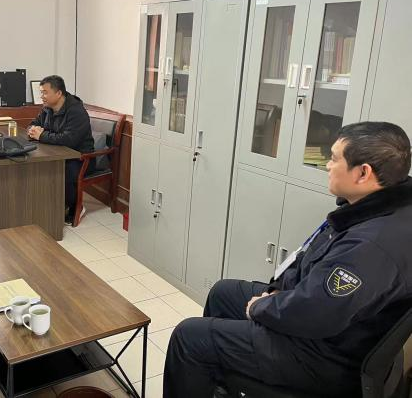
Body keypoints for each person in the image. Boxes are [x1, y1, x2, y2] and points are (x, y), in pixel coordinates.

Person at [163, 121, 412, 398]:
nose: (327, 166)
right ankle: (220, 380)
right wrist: (276, 291)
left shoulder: (372, 246)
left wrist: (262, 307)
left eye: (334, 159)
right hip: (319, 319)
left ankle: (220, 364)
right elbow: (309, 260)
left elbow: (316, 313)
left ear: (363, 173)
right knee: (223, 292)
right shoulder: (371, 206)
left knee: (190, 337)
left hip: (324, 356)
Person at [28, 75, 94, 224]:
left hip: (81, 158)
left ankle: (75, 207)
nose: (42, 96)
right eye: (41, 92)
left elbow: (69, 140)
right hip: (58, 153)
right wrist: (32, 130)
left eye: (45, 92)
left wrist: (42, 135)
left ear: (58, 93)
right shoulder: (47, 108)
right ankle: (48, 204)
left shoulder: (76, 111)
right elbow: (33, 123)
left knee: (63, 170)